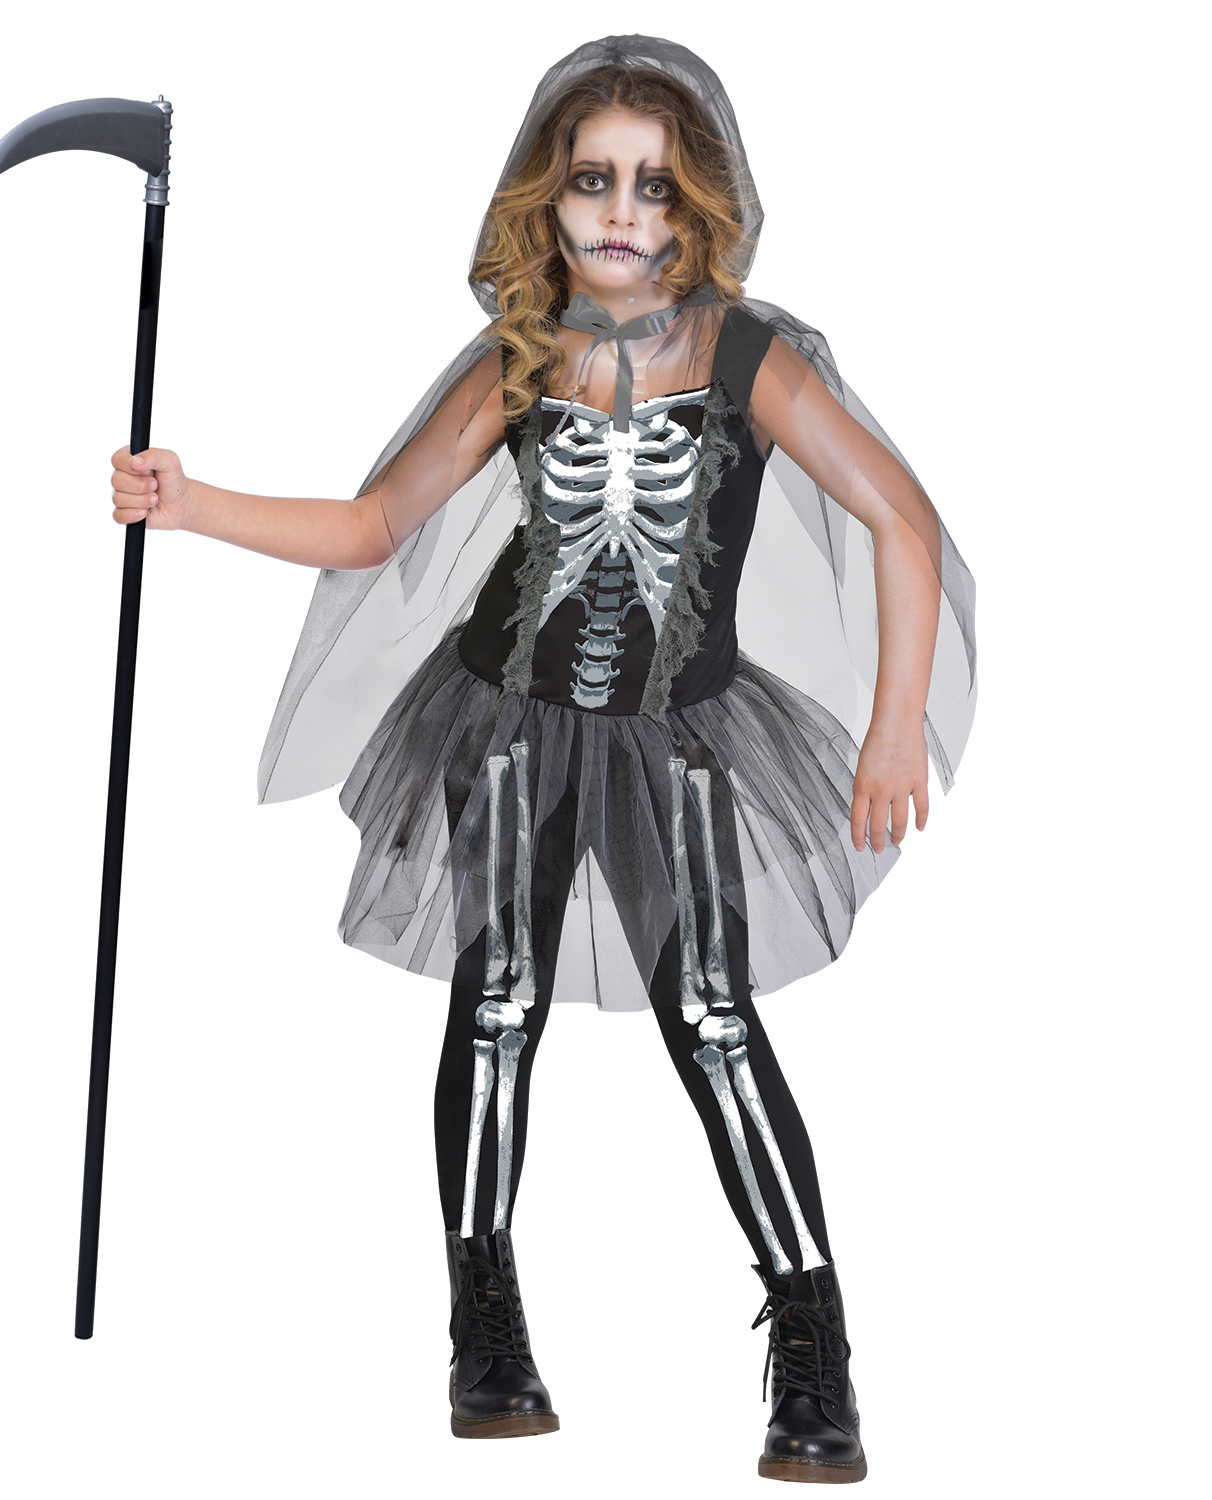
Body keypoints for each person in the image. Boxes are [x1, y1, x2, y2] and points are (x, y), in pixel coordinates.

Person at [106, 35, 976, 1483]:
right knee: (498, 1002)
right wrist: (193, 504)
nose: (621, 212)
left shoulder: (749, 359)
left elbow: (904, 520)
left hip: (685, 728)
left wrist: (895, 721)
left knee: (714, 1017)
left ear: (699, 206)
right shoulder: (519, 360)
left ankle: (813, 1335)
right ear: (547, 198)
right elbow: (375, 528)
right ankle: (485, 1319)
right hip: (505, 718)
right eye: (592, 181)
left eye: (653, 185)